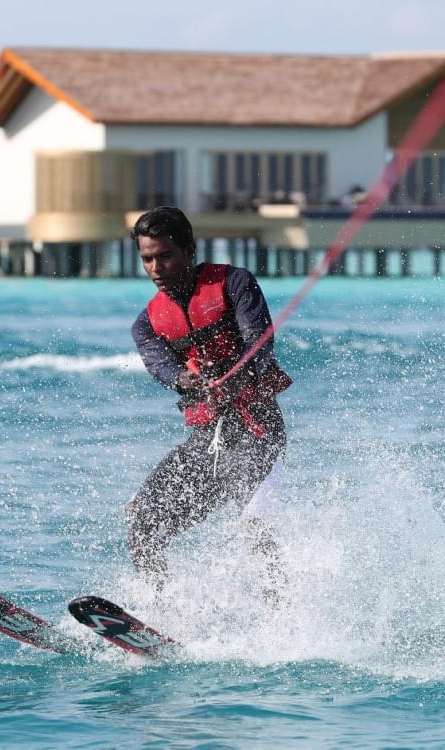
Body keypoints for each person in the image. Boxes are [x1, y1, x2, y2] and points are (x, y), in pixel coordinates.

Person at [127, 206, 292, 595]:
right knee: (142, 522)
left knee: (254, 524)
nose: (155, 268)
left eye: (165, 255)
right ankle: (162, 613)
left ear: (189, 250)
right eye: (147, 259)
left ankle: (285, 615)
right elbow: (164, 370)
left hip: (258, 434)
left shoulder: (235, 284)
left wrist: (238, 374)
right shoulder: (146, 324)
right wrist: (188, 379)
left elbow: (260, 344)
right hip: (208, 444)